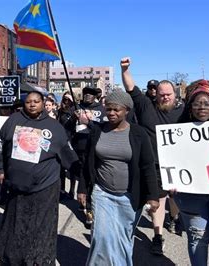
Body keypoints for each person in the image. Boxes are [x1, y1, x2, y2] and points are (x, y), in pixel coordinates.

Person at [0, 91, 78, 265]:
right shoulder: (14, 120)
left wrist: (83, 175)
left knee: (40, 228)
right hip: (17, 187)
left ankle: (38, 259)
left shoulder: (54, 127)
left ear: (43, 103)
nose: (32, 104)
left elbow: (67, 155)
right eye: (29, 101)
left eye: (36, 101)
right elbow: (1, 146)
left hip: (45, 188)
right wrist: (0, 169)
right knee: (17, 226)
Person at [77, 90, 160, 265]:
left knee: (122, 240)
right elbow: (87, 163)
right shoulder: (97, 131)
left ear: (127, 110)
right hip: (102, 193)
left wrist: (153, 196)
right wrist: (83, 189)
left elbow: (147, 165)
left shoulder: (138, 133)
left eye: (116, 110)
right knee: (101, 238)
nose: (112, 113)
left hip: (129, 196)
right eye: (108, 109)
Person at [121, 57, 184, 255]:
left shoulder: (184, 112)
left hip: (180, 165)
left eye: (169, 94)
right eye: (162, 94)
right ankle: (158, 236)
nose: (165, 97)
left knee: (176, 200)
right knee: (159, 201)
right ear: (156, 94)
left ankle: (174, 219)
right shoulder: (146, 106)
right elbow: (132, 89)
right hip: (155, 165)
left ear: (175, 94)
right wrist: (125, 70)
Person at [174, 79, 209, 266]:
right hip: (191, 196)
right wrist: (171, 181)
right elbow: (172, 162)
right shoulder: (177, 133)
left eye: (207, 103)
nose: (202, 108)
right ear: (190, 107)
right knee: (197, 241)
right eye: (197, 103)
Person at [72, 87, 107, 226]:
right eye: (85, 93)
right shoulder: (77, 107)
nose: (87, 96)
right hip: (78, 148)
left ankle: (90, 211)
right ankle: (83, 200)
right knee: (81, 177)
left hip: (93, 149)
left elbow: (103, 128)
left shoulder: (102, 110)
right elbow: (68, 127)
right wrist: (73, 118)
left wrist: (89, 122)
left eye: (90, 94)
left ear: (95, 96)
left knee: (90, 179)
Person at [57, 92, 76, 199]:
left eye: (69, 99)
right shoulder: (60, 111)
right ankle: (62, 190)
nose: (66, 101)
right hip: (61, 140)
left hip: (71, 140)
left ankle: (72, 191)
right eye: (65, 99)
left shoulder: (74, 111)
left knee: (71, 167)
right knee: (61, 167)